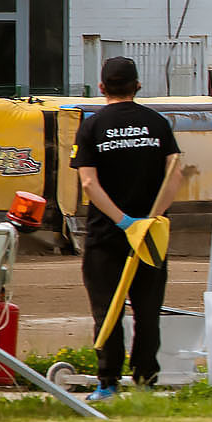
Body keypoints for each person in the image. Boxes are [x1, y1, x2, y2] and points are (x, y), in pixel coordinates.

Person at [72, 55, 182, 400]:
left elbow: (88, 184)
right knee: (148, 310)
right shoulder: (158, 123)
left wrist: (121, 221)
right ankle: (146, 380)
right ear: (137, 85)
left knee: (108, 310)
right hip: (150, 235)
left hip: (107, 235)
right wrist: (149, 219)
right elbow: (176, 173)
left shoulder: (91, 126)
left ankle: (108, 383)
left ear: (102, 88)